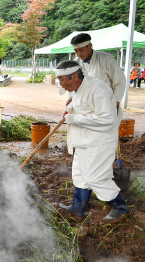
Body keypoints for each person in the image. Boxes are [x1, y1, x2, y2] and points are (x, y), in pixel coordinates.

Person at [57, 60, 129, 221]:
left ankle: (120, 207)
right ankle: (78, 207)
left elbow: (108, 119)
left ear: (74, 76)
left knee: (96, 177)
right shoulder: (78, 87)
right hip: (83, 140)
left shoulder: (97, 89)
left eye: (62, 79)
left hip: (99, 142)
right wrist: (70, 110)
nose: (60, 84)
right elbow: (83, 107)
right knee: (80, 174)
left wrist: (75, 119)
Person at [68, 33, 126, 109]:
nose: (78, 54)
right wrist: (70, 98)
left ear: (90, 46)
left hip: (105, 102)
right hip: (84, 105)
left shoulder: (106, 59)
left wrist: (116, 100)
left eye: (81, 50)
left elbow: (119, 81)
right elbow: (72, 83)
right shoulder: (76, 63)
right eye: (76, 51)